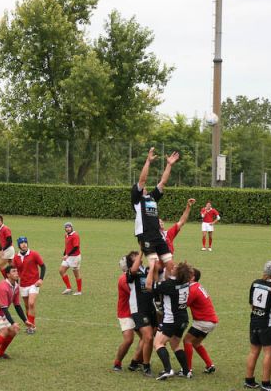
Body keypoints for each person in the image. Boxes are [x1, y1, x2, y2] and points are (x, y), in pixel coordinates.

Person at [132, 146, 179, 291]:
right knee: (153, 266)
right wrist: (148, 161)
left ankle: (165, 290)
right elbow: (142, 179)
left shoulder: (152, 197)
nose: (143, 187)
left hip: (157, 235)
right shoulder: (137, 199)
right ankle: (151, 293)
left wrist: (169, 165)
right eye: (141, 187)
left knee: (169, 264)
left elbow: (163, 181)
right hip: (145, 236)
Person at [244, 261, 271, 391]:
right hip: (268, 324)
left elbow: (252, 304)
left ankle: (249, 380)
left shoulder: (255, 283)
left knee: (254, 351)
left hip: (254, 320)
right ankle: (266, 383)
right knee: (269, 353)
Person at [152, 261, 193, 380]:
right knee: (175, 344)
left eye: (175, 267)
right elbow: (170, 280)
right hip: (183, 319)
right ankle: (186, 371)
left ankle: (168, 369)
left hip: (171, 320)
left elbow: (152, 286)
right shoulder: (185, 283)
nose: (173, 267)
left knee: (158, 343)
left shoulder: (169, 285)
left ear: (177, 273)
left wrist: (154, 270)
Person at [0, 265, 32, 361]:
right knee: (5, 330)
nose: (16, 273)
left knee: (14, 330)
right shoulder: (3, 287)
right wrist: (12, 323)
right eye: (13, 271)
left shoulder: (16, 286)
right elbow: (4, 308)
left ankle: (0, 354)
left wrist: (25, 320)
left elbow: (17, 305)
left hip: (0, 312)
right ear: (8, 275)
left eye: (17, 271)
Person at [125, 249, 156, 377]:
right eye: (134, 256)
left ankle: (134, 363)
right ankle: (146, 366)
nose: (137, 256)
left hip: (151, 307)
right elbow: (133, 269)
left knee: (147, 337)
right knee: (148, 337)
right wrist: (142, 251)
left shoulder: (147, 270)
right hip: (139, 308)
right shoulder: (131, 272)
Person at [184, 268, 218, 375]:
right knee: (196, 343)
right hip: (210, 321)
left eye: (188, 274)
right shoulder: (197, 286)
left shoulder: (192, 289)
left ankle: (188, 369)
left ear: (192, 277)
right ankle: (209, 365)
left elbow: (184, 304)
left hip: (203, 321)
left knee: (187, 341)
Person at [113, 252, 143, 372]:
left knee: (147, 337)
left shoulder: (139, 274)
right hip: (126, 312)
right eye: (136, 258)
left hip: (137, 311)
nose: (140, 260)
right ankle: (117, 362)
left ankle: (136, 362)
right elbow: (136, 293)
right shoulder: (123, 279)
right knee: (129, 339)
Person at [13, 236, 46, 334]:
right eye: (22, 243)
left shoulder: (34, 254)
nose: (24, 244)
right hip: (23, 285)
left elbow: (43, 266)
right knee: (27, 306)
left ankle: (31, 327)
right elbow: (14, 271)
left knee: (31, 303)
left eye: (25, 242)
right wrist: (14, 283)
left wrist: (41, 279)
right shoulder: (16, 257)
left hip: (34, 283)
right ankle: (32, 325)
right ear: (19, 245)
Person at [59, 222, 82, 295]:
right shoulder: (66, 235)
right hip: (68, 257)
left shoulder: (75, 235)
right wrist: (65, 254)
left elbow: (76, 247)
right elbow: (67, 246)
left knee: (76, 274)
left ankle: (79, 291)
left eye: (69, 227)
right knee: (61, 271)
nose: (68, 229)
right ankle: (68, 288)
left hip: (75, 257)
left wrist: (67, 255)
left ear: (72, 227)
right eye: (66, 227)